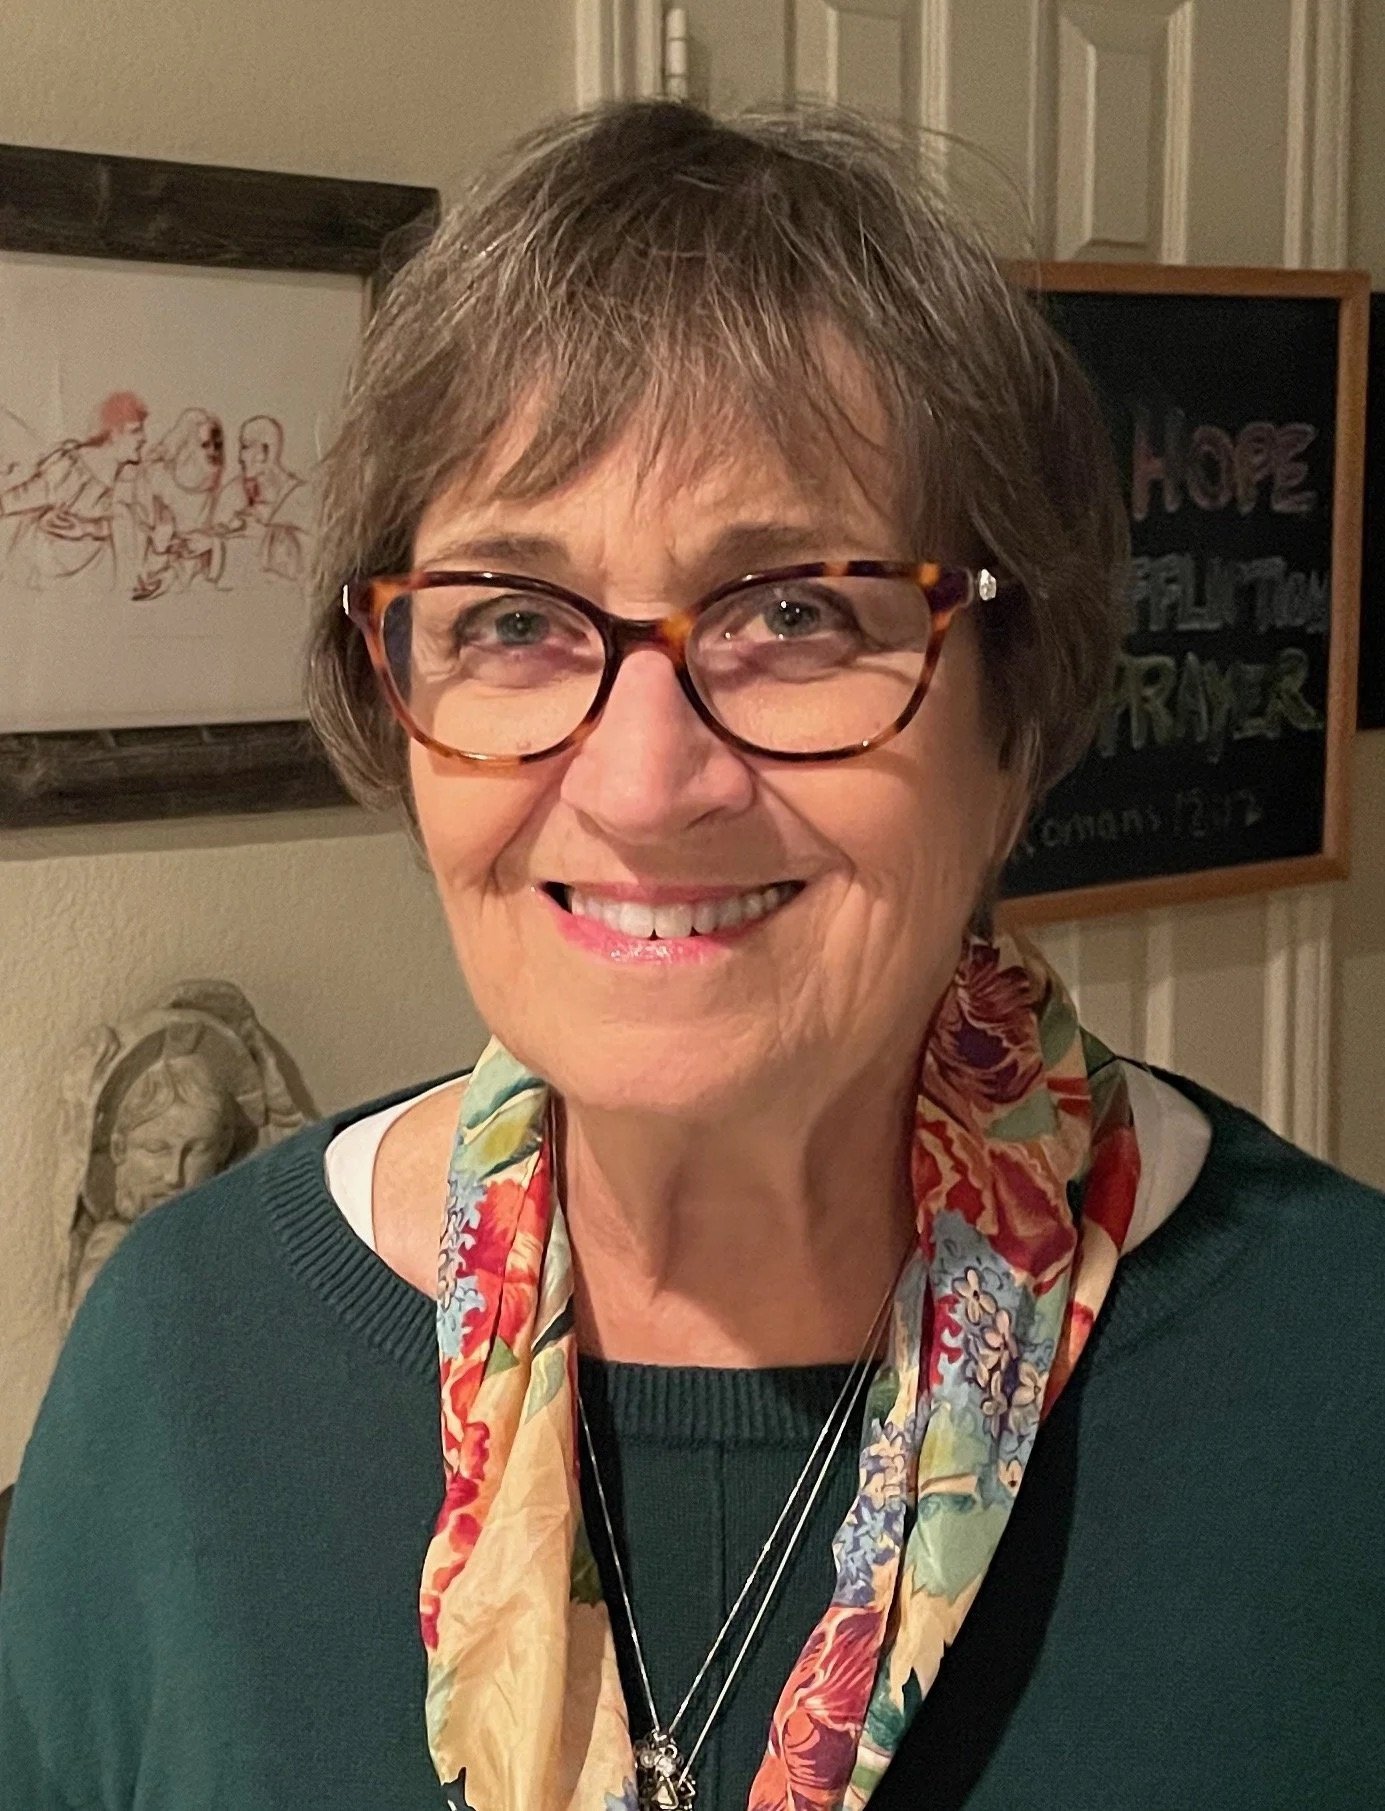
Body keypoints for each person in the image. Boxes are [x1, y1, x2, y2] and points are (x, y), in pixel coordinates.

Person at [1, 100, 1381, 1811]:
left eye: (795, 610)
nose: (645, 785)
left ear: (1017, 710)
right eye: (513, 616)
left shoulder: (1343, 1391)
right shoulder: (191, 1369)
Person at [0, 391, 148, 589]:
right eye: (135, 431)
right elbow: (16, 500)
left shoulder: (126, 480)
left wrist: (88, 528)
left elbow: (127, 522)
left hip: (89, 584)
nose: (143, 438)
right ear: (114, 433)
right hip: (45, 581)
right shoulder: (72, 468)